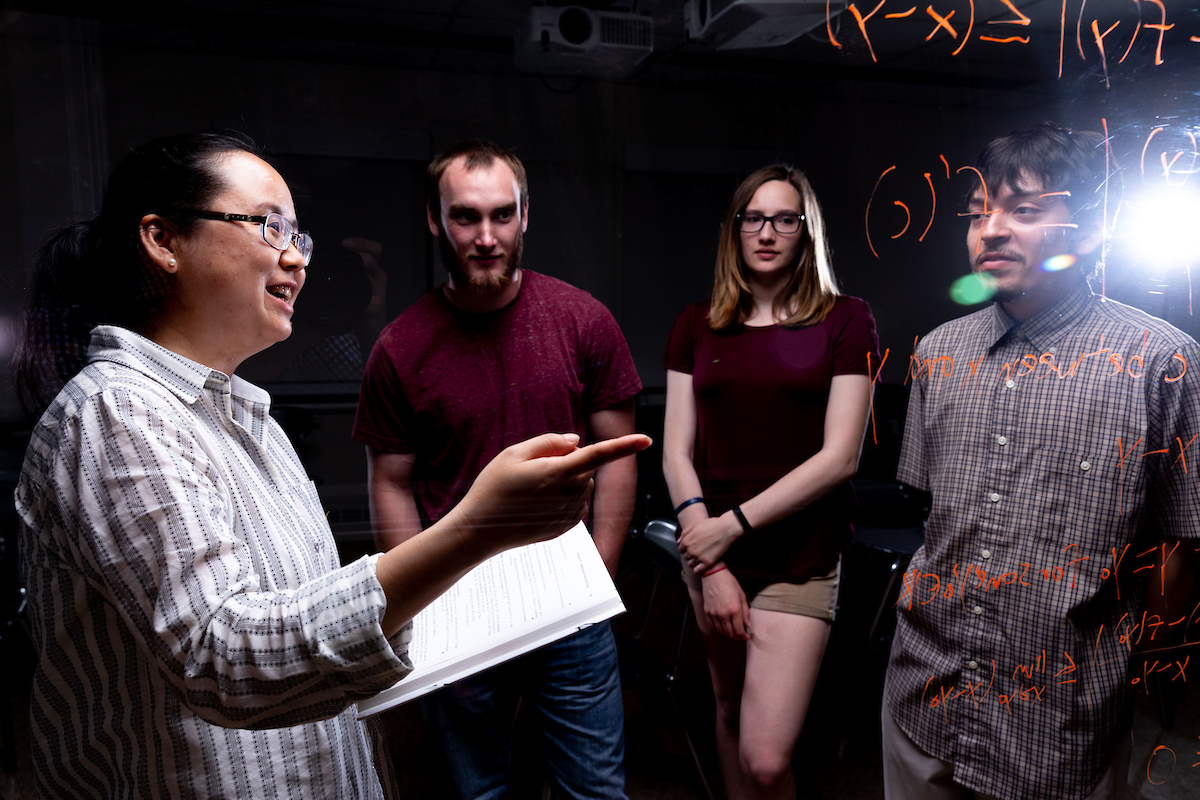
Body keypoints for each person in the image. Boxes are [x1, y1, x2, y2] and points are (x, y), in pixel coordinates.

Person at [12, 132, 649, 800]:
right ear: (163, 240)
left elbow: (300, 617)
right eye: (268, 226)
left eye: (300, 236)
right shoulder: (115, 415)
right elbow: (221, 658)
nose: (295, 257)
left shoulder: (248, 421)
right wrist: (475, 531)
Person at [883, 121, 1199, 800]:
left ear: (1086, 231)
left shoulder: (1161, 361)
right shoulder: (938, 351)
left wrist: (1139, 686)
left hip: (1062, 729)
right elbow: (933, 518)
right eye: (977, 214)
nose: (990, 231)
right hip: (923, 703)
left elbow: (1178, 548)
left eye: (1024, 210)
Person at [353, 139, 642, 800]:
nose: (486, 237)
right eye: (465, 217)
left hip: (568, 598)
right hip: (459, 603)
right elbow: (392, 483)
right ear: (435, 220)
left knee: (593, 792)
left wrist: (598, 573)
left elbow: (618, 459)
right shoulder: (401, 347)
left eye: (501, 216)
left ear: (525, 215)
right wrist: (421, 600)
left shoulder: (583, 320)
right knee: (478, 793)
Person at [663, 164, 878, 800]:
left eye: (785, 219)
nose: (767, 232)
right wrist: (711, 557)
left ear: (805, 232)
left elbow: (841, 458)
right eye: (753, 218)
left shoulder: (847, 320)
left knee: (764, 758)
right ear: (735, 229)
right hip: (710, 554)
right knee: (726, 712)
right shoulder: (696, 323)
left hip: (798, 555)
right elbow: (677, 451)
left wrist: (730, 529)